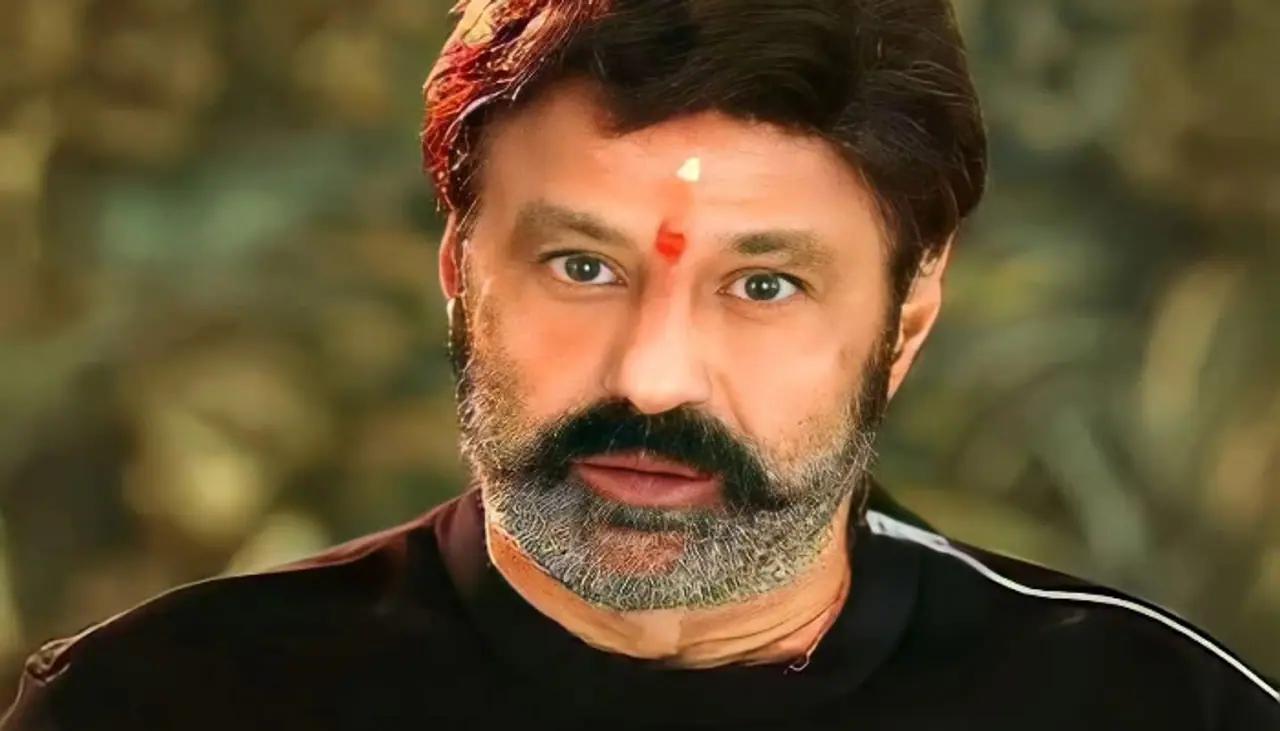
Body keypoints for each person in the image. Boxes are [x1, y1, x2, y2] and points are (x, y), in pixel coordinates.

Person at [4, 0, 1278, 729]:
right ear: (457, 269)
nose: (654, 378)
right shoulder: (158, 704)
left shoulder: (1155, 711)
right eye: (582, 266)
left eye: (763, 284)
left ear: (905, 319)